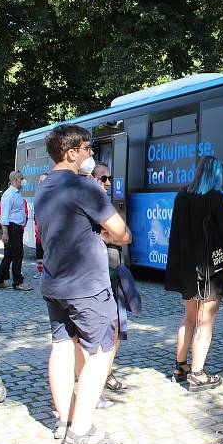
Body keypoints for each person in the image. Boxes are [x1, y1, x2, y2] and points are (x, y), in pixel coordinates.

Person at [36, 125, 131, 444]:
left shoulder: (44, 187)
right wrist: (109, 236)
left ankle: (64, 421)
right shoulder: (85, 188)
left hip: (54, 283)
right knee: (101, 354)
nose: (92, 155)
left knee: (61, 348)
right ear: (72, 152)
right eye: (89, 149)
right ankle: (81, 431)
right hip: (87, 285)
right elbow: (121, 232)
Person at [165, 156, 223, 391]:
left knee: (189, 318)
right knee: (206, 321)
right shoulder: (216, 198)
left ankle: (181, 366)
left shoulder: (182, 195)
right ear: (215, 175)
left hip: (185, 267)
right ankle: (198, 373)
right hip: (208, 268)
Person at [92, 163, 132, 392]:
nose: (109, 183)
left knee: (115, 329)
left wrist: (110, 237)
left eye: (110, 178)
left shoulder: (105, 205)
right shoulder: (94, 205)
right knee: (110, 329)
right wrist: (108, 237)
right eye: (104, 178)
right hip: (102, 276)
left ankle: (106, 372)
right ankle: (103, 375)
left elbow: (127, 235)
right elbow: (122, 234)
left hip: (113, 272)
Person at [0, 170, 33, 291]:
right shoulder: (9, 194)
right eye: (21, 178)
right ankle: (17, 282)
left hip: (16, 227)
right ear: (15, 180)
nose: (23, 181)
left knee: (9, 255)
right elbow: (4, 215)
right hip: (13, 228)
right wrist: (5, 232)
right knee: (17, 255)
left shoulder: (17, 193)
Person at [33, 173, 48, 280]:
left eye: (42, 181)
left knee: (48, 252)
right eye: (39, 181)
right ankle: (40, 271)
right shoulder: (39, 195)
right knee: (39, 252)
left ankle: (47, 272)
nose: (40, 183)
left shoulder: (51, 195)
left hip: (48, 231)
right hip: (38, 231)